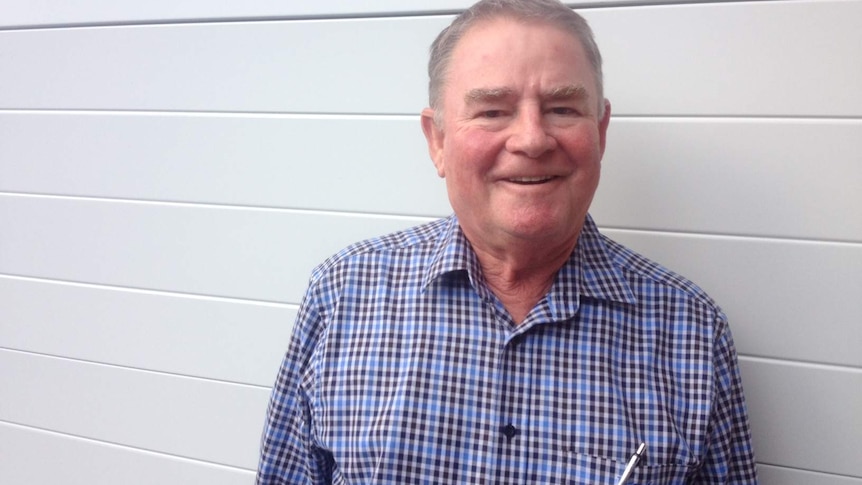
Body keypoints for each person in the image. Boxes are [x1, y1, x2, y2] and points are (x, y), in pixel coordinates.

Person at [256, 0, 758, 483]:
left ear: (600, 132)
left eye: (562, 108)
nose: (533, 139)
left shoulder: (690, 333)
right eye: (493, 111)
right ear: (438, 141)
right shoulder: (343, 295)